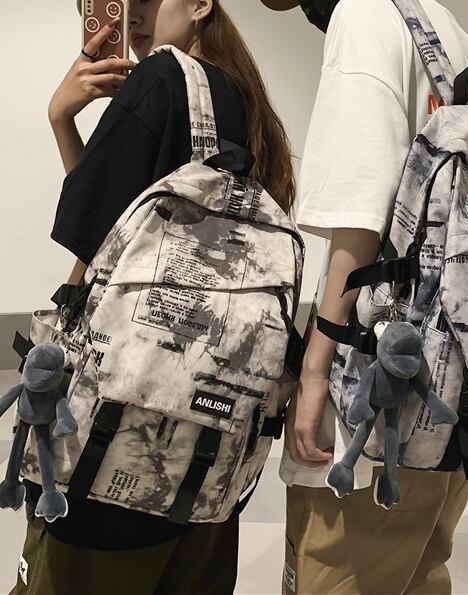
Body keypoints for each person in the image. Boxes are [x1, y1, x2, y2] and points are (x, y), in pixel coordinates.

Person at [13, 1, 294, 594]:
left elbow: (97, 239)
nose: (132, 15)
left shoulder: (160, 76)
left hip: (116, 438)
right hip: (211, 458)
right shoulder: (245, 98)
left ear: (200, 4)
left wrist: (61, 117)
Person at [260, 0, 468, 593]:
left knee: (336, 572)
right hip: (457, 389)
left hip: (376, 398)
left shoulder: (365, 17)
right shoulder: (467, 48)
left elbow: (360, 221)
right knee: (420, 570)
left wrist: (313, 373)